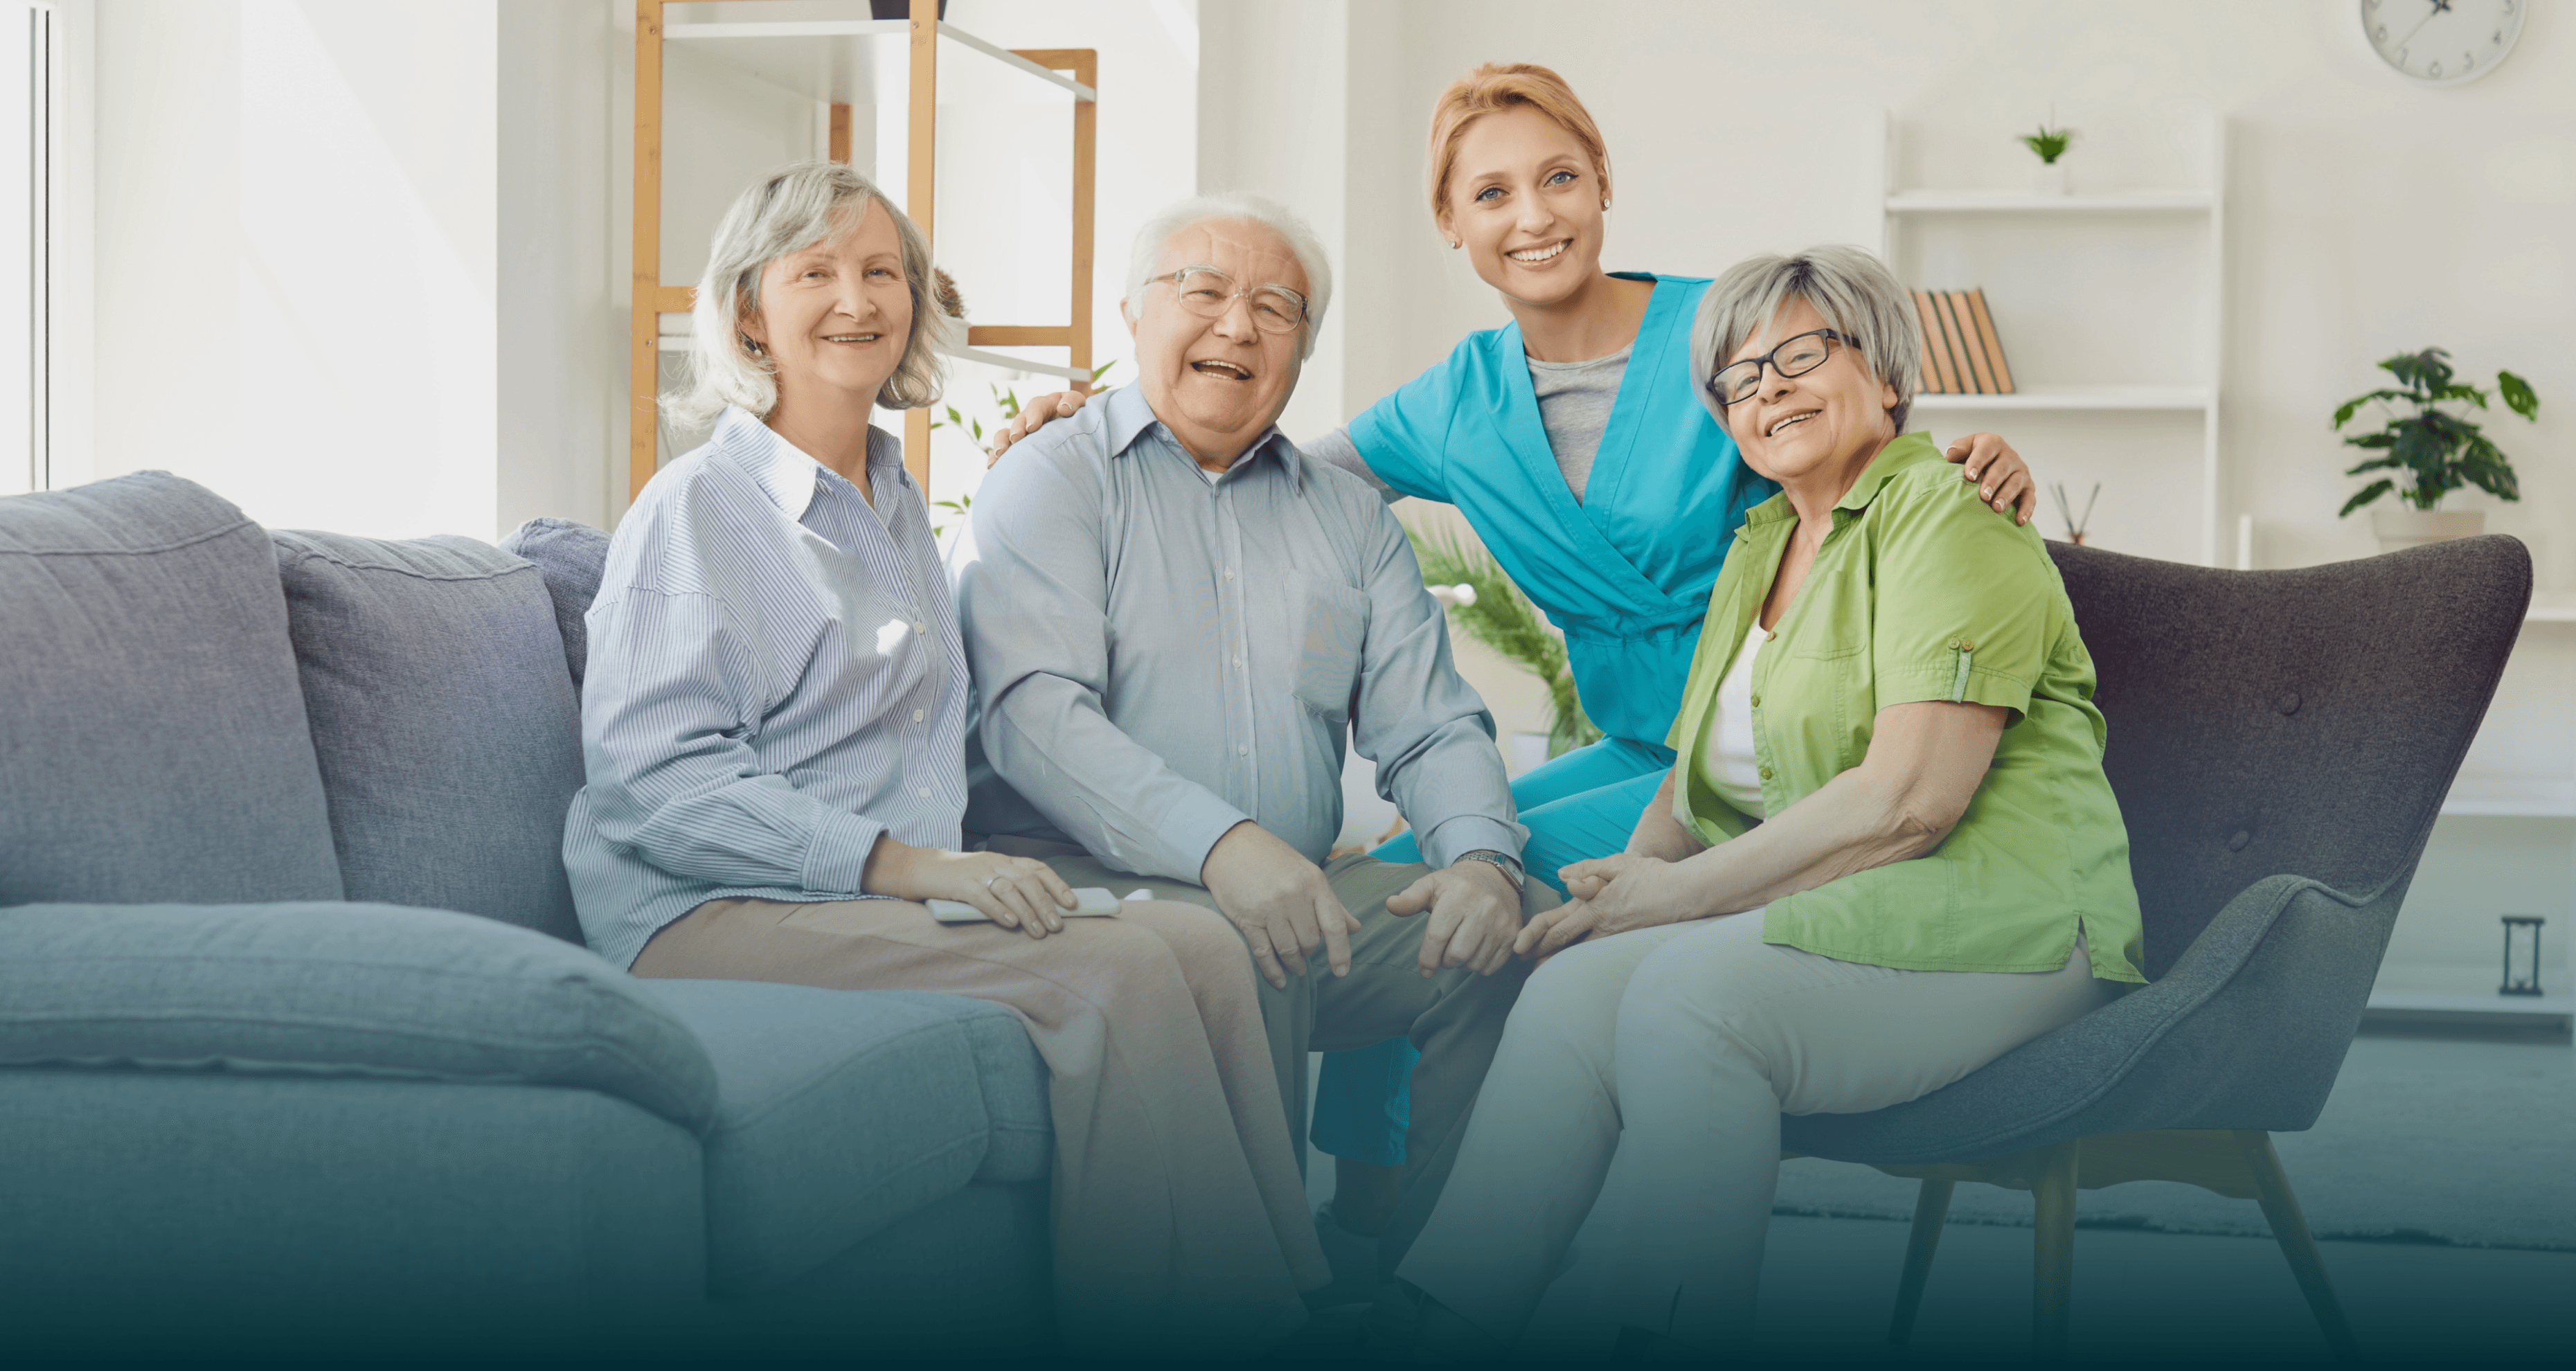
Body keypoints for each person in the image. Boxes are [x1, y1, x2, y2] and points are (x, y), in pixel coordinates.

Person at [983, 63, 2046, 1237]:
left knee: (1493, 886)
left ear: (1603, 185)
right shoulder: (1456, 400)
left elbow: (1851, 431)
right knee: (1417, 874)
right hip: (1636, 743)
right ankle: (1372, 1209)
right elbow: (1258, 471)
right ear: (1451, 221)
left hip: (1776, 749)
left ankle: (1422, 1224)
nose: (1533, 216)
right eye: (1491, 193)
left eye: (1559, 179)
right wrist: (1089, 425)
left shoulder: (1728, 333)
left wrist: (1972, 452)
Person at [561, 162, 1327, 1357]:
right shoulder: (695, 507)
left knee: (1204, 947)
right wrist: (915, 869)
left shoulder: (892, 495)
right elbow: (657, 787)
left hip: (861, 896)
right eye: (815, 272)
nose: (856, 299)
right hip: (707, 912)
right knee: (1119, 974)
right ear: (749, 312)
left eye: (883, 272)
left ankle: (1290, 1304)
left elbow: (915, 709)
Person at [1390, 244, 2148, 1357]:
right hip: (1852, 915)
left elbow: (1910, 801)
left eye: (1800, 355)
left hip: (2012, 925)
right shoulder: (1761, 544)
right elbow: (1694, 776)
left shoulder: (1951, 514)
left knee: (1690, 1000)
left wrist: (1676, 899)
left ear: (1883, 371)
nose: (1767, 390)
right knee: (1572, 986)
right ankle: (1448, 1318)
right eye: (1738, 379)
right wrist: (1630, 881)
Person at [953, 190, 1550, 1308]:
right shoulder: (1053, 475)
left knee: (1496, 938)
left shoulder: (1349, 520)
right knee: (1244, 939)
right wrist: (1222, 846)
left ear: (1302, 349)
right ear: (1133, 315)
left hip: (1294, 889)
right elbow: (1034, 715)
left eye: (1277, 308)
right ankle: (1271, 1306)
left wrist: (1479, 859)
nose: (1239, 325)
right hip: (1086, 892)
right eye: (1205, 291)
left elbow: (1429, 721)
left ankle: (1438, 1298)